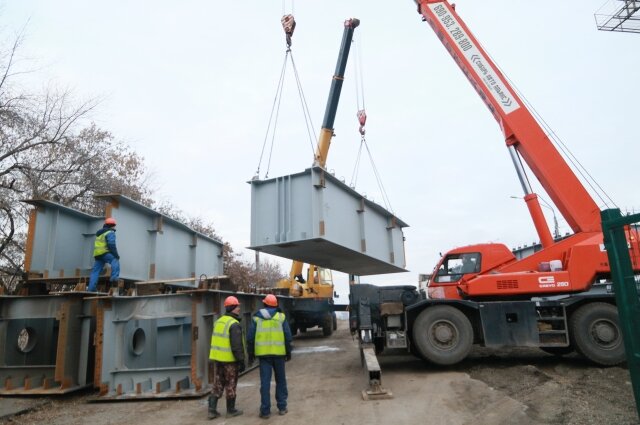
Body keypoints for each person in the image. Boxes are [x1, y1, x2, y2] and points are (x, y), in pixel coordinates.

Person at [247, 294, 293, 419]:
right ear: (276, 305)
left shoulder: (256, 318)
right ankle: (282, 407)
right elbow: (288, 336)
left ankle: (265, 411)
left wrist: (250, 353)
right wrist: (288, 351)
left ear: (265, 304)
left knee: (265, 383)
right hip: (279, 354)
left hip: (264, 356)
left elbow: (250, 337)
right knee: (281, 381)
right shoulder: (281, 317)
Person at [208, 296, 245, 419]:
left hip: (218, 359)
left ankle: (212, 410)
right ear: (233, 308)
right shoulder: (234, 324)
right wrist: (241, 360)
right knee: (231, 384)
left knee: (218, 383)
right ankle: (231, 410)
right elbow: (236, 346)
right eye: (237, 306)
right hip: (230, 360)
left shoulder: (219, 321)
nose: (239, 308)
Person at [88, 217, 120, 292]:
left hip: (97, 254)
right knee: (115, 260)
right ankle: (114, 278)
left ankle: (91, 288)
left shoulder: (99, 234)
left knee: (95, 271)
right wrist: (116, 255)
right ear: (112, 225)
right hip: (105, 252)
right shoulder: (110, 232)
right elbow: (111, 244)